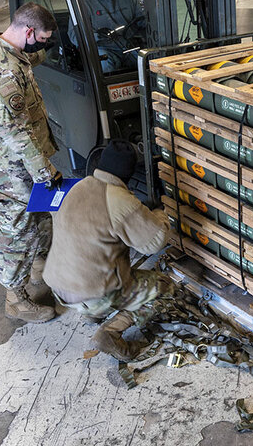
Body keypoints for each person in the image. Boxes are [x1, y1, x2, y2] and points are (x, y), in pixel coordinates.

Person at [43, 141, 174, 361]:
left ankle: (92, 313)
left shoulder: (79, 187)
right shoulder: (119, 200)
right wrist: (161, 214)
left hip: (59, 287)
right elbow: (154, 243)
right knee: (164, 287)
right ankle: (109, 333)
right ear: (128, 173)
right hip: (91, 293)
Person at [0, 2, 61, 323]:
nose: (41, 45)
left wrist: (55, 48)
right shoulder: (4, 74)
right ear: (28, 31)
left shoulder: (1, 47)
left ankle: (39, 270)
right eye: (42, 39)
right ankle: (15, 299)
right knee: (17, 229)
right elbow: (17, 133)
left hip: (22, 162)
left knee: (40, 217)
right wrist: (44, 171)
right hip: (11, 168)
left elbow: (29, 58)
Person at [75, 0, 145, 73]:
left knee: (148, 59)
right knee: (105, 63)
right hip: (104, 48)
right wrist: (97, 36)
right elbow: (75, 35)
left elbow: (142, 19)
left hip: (128, 45)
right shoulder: (83, 2)